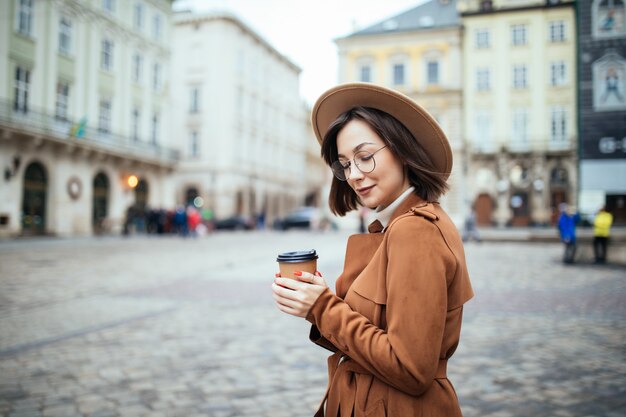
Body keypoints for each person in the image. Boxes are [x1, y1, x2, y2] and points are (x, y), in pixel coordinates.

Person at [271, 83, 474, 417]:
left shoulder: (415, 229)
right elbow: (370, 335)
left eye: (364, 158)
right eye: (344, 164)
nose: (353, 175)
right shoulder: (396, 225)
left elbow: (411, 369)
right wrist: (315, 304)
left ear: (402, 149)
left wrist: (322, 306)